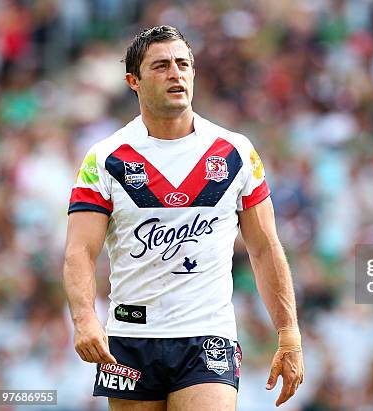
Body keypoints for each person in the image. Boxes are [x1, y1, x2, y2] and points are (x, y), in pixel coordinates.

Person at [63, 25, 304, 411]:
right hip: (129, 337)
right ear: (133, 81)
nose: (176, 73)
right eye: (160, 66)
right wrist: (84, 319)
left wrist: (288, 333)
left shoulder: (235, 152)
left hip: (208, 335)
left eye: (183, 64)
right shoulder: (105, 158)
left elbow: (264, 248)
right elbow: (80, 250)